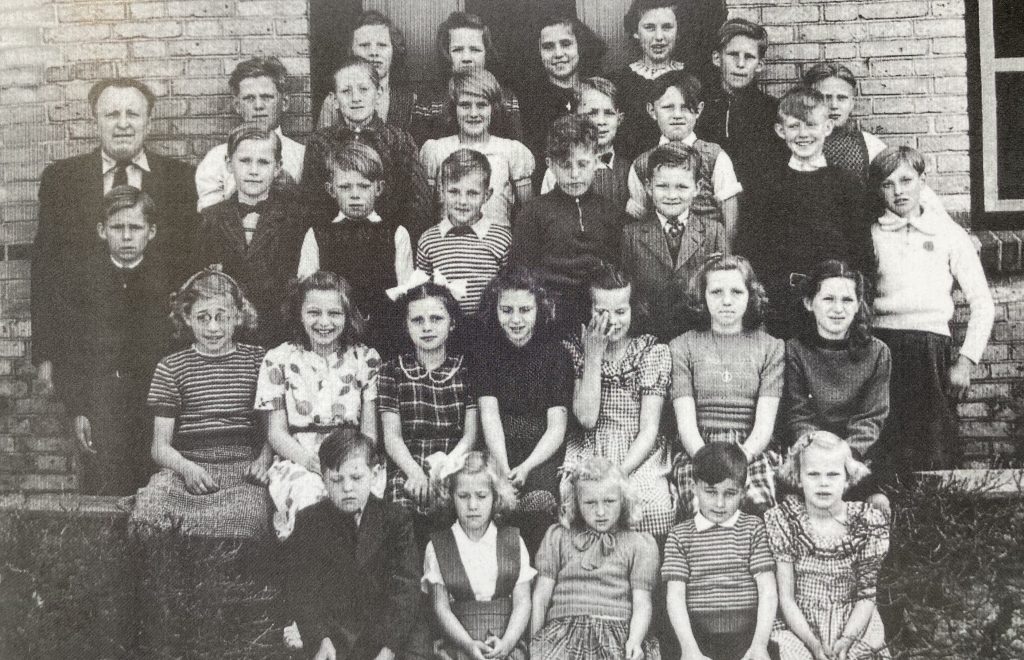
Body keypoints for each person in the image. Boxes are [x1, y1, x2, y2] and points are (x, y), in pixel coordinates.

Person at [32, 77, 197, 395]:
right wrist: (45, 356)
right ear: (96, 121)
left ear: (148, 122)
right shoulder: (62, 181)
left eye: (132, 114)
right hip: (85, 356)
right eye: (111, 115)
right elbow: (45, 272)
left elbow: (189, 269)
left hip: (159, 353)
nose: (123, 124)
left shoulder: (180, 179)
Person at [868, 146, 994, 479]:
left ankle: (937, 509)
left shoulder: (948, 234)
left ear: (922, 181)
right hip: (881, 347)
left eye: (906, 180)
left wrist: (965, 362)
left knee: (934, 445)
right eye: (888, 184)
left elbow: (983, 303)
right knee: (886, 447)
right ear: (878, 190)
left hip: (930, 348)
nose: (898, 191)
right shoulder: (872, 235)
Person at [129, 268, 270, 538]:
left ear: (238, 316)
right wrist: (186, 469)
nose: (213, 327)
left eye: (222, 317)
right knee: (149, 514)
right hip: (187, 467)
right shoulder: (171, 367)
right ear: (187, 317)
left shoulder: (258, 361)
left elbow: (273, 430)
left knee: (249, 520)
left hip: (242, 469)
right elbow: (159, 447)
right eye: (203, 317)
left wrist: (264, 461)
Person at [56, 186, 174, 495]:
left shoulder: (167, 282)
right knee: (102, 487)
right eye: (117, 227)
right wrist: (79, 409)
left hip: (152, 407)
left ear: (151, 231)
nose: (126, 237)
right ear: (101, 230)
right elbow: (68, 352)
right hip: (101, 405)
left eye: (135, 228)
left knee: (151, 490)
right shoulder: (82, 283)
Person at [735, 85, 873, 340]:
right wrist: (759, 310)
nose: (803, 134)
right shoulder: (765, 185)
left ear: (827, 127)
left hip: (833, 312)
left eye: (811, 125)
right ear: (780, 131)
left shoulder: (846, 185)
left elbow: (862, 255)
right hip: (778, 311)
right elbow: (749, 251)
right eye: (794, 126)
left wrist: (858, 312)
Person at [255, 271, 381, 540]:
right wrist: (309, 462)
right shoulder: (278, 359)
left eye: (334, 313)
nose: (324, 322)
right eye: (314, 312)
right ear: (299, 314)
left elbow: (369, 433)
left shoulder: (366, 358)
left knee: (362, 503)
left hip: (354, 456)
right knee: (310, 501)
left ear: (347, 316)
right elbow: (276, 433)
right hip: (299, 459)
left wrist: (352, 461)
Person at [283, 428, 420, 660]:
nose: (347, 488)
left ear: (374, 474)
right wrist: (321, 638)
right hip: (336, 635)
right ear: (323, 478)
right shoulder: (310, 522)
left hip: (389, 632)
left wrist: (389, 649)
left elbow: (405, 589)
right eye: (337, 479)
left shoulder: (396, 520)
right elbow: (302, 588)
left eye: (356, 478)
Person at [565, 265, 675, 539]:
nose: (611, 320)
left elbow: (649, 428)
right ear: (588, 310)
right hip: (591, 448)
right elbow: (587, 419)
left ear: (633, 310)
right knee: (579, 505)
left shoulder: (650, 352)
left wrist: (620, 473)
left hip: (637, 453)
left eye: (620, 311)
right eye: (601, 311)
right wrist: (593, 355)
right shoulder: (578, 350)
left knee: (654, 508)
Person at [671, 255, 784, 519]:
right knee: (702, 507)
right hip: (698, 447)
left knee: (757, 505)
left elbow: (764, 425)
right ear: (703, 296)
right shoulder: (682, 346)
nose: (726, 301)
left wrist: (741, 457)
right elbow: (686, 425)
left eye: (736, 292)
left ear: (750, 295)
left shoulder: (771, 347)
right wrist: (706, 459)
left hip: (750, 448)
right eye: (716, 292)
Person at [472, 267, 574, 552]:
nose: (515, 320)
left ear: (539, 310)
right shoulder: (486, 352)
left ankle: (537, 569)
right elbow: (489, 415)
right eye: (506, 310)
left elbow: (557, 426)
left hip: (541, 451)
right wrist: (503, 468)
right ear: (495, 310)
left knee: (539, 503)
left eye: (525, 310)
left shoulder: (556, 354)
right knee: (494, 501)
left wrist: (527, 467)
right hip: (498, 446)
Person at [766, 432, 890, 660]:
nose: (823, 483)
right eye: (813, 474)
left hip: (853, 623)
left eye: (833, 474)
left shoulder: (866, 522)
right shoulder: (785, 520)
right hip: (801, 627)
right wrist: (813, 645)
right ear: (798, 477)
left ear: (848, 478)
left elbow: (867, 596)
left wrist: (846, 639)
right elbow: (787, 599)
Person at [783, 260, 892, 512]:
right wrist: (818, 453)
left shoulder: (878, 352)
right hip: (810, 449)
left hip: (858, 451)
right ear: (809, 303)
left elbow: (872, 416)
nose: (838, 309)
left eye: (847, 300)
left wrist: (847, 453)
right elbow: (798, 413)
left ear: (858, 305)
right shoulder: (794, 350)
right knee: (798, 503)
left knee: (877, 504)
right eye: (828, 299)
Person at [530, 456, 661, 660]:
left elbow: (642, 602)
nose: (600, 512)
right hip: (563, 635)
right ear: (576, 502)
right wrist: (535, 643)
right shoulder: (558, 536)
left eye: (609, 501)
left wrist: (634, 640)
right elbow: (541, 596)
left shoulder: (639, 544)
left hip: (617, 634)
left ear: (623, 500)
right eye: (590, 503)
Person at [379, 283, 478, 547]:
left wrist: (445, 471)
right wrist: (415, 474)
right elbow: (392, 437)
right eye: (417, 320)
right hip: (408, 466)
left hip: (455, 464)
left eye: (436, 319)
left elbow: (471, 435)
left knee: (463, 508)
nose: (427, 327)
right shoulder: (392, 371)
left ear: (452, 323)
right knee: (399, 516)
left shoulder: (467, 370)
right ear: (406, 325)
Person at [512, 114, 629, 335]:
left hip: (601, 316)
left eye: (582, 164)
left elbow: (618, 272)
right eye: (565, 165)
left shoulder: (611, 213)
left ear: (596, 161)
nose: (575, 174)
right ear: (550, 165)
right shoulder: (533, 213)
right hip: (549, 320)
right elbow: (522, 274)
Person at [297, 140, 414, 357]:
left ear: (378, 188)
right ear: (331, 190)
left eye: (364, 186)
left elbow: (405, 292)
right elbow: (308, 290)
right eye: (345, 187)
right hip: (333, 336)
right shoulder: (318, 234)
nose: (355, 195)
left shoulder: (396, 233)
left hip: (385, 336)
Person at [663, 443, 777, 660]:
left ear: (743, 492)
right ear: (694, 487)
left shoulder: (753, 528)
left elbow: (768, 590)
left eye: (730, 493)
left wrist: (759, 645)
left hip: (748, 637)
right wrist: (689, 649)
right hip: (697, 638)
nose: (719, 503)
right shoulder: (680, 535)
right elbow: (675, 596)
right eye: (710, 492)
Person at [194, 125, 306, 347]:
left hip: (281, 336)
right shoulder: (211, 219)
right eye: (245, 161)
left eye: (263, 162)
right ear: (229, 164)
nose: (253, 171)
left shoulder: (297, 220)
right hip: (226, 337)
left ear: (278, 167)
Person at [301, 58, 433, 244]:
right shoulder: (320, 143)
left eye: (363, 89)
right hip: (334, 245)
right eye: (346, 91)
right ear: (335, 100)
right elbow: (311, 206)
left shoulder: (399, 142)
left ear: (378, 94)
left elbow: (418, 206)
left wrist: (398, 243)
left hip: (388, 245)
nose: (355, 98)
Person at [423, 451, 536, 660]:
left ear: (495, 497)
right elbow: (441, 608)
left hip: (506, 647)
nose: (472, 505)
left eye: (481, 496)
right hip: (457, 647)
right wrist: (467, 644)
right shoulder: (438, 546)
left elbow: (522, 603)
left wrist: (507, 643)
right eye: (463, 496)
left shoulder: (513, 541)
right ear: (451, 496)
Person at [622, 142, 727, 343]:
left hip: (701, 339)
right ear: (648, 187)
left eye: (682, 186)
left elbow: (723, 290)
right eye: (662, 186)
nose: (671, 195)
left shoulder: (714, 232)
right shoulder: (631, 235)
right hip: (648, 340)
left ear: (697, 188)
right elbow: (630, 296)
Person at [626, 71, 742, 245]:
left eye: (686, 107)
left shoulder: (714, 156)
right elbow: (639, 218)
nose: (677, 115)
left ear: (699, 110)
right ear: (652, 110)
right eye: (668, 107)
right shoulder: (641, 164)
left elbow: (730, 216)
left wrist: (724, 253)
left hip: (708, 251)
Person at [419, 70, 535, 228]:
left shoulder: (512, 151)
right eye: (465, 105)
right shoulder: (436, 150)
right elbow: (425, 215)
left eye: (481, 105)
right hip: (447, 241)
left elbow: (528, 216)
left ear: (493, 108)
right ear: (453, 108)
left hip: (497, 241)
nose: (473, 113)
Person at [194, 57, 305, 211]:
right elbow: (210, 216)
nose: (258, 106)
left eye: (267, 97)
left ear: (284, 103)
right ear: (237, 106)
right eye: (249, 98)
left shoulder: (302, 156)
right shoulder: (217, 159)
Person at [415, 149, 513, 317]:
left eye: (472, 193)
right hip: (446, 328)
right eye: (454, 192)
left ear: (487, 195)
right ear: (441, 191)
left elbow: (509, 292)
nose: (462, 201)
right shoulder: (428, 241)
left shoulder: (501, 239)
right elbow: (423, 293)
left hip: (487, 327)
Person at [695, 18, 787, 193]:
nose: (740, 64)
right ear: (717, 58)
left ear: (759, 65)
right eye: (733, 55)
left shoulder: (772, 111)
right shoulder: (699, 107)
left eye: (749, 57)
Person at [410, 11, 524, 146]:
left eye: (475, 50)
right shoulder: (429, 100)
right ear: (446, 53)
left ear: (486, 53)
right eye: (457, 50)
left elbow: (514, 149)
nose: (466, 58)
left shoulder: (505, 98)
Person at [518, 15, 606, 179]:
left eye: (566, 44)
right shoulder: (530, 101)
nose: (558, 53)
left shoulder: (599, 93)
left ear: (580, 46)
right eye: (548, 47)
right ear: (538, 52)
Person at [316, 10, 418, 132]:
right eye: (364, 45)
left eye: (382, 45)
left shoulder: (411, 101)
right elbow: (322, 142)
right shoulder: (334, 102)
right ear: (351, 51)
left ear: (394, 50)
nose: (374, 53)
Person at [611, 0, 687, 160]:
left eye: (667, 27)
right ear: (635, 32)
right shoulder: (617, 81)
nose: (659, 37)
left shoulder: (691, 78)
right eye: (650, 27)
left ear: (678, 32)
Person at [540, 77, 631, 208]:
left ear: (620, 119)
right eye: (592, 113)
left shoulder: (629, 171)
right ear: (576, 116)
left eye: (609, 113)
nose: (601, 121)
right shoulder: (556, 171)